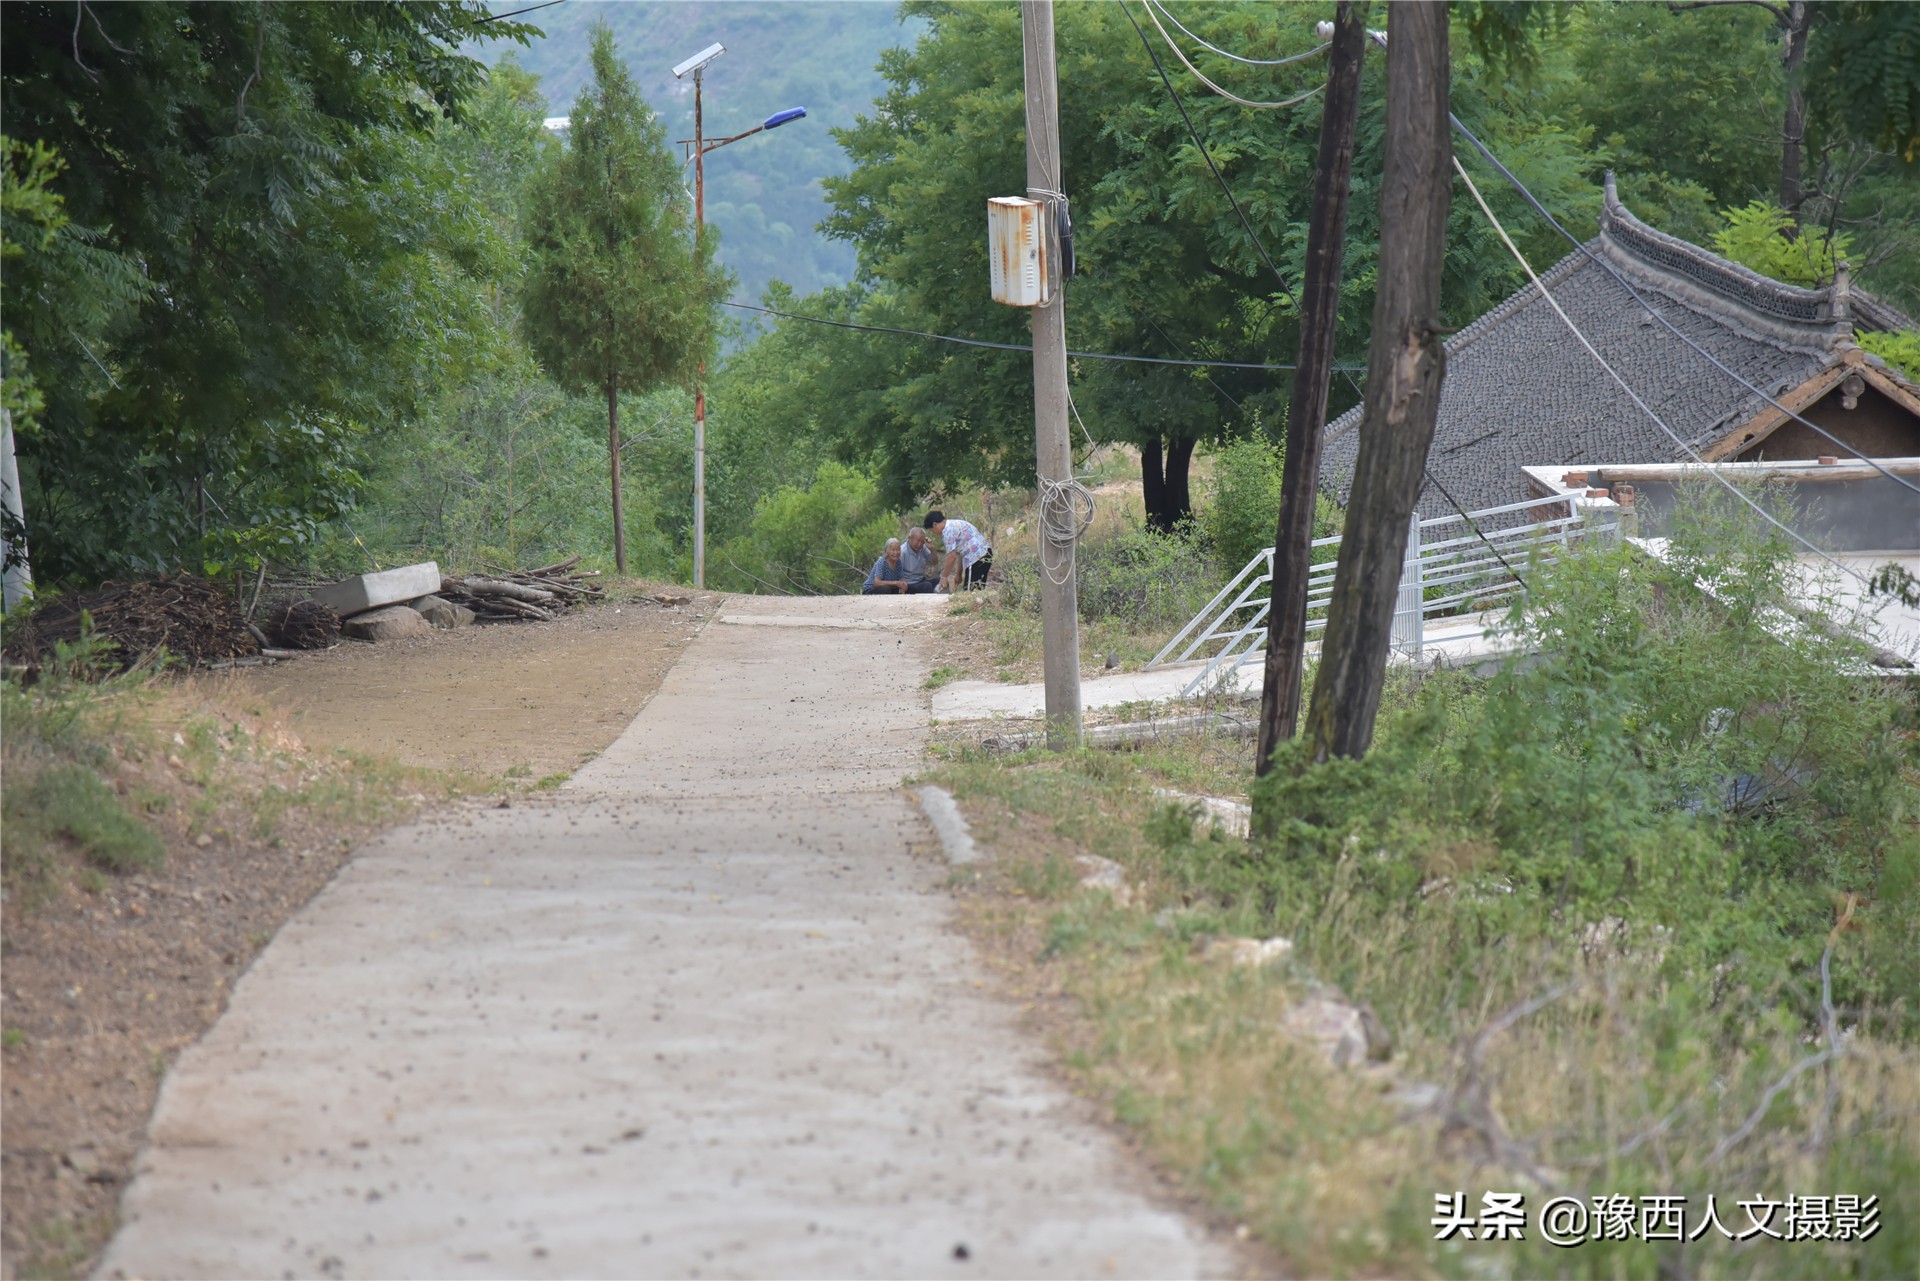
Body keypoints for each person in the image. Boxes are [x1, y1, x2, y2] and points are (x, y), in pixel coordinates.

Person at [924, 509, 992, 592]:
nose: (933, 533)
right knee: (978, 590)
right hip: (985, 553)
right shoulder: (954, 524)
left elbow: (951, 557)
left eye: (932, 530)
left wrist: (943, 577)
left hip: (976, 557)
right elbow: (960, 552)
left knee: (970, 592)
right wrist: (958, 574)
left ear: (935, 525)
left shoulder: (947, 531)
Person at [898, 527, 942, 593]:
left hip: (921, 580)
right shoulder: (902, 552)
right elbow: (898, 573)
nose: (919, 544)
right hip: (909, 584)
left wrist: (932, 549)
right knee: (927, 586)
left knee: (941, 580)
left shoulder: (922, 548)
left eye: (922, 542)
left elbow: (934, 562)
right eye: (918, 541)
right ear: (909, 538)